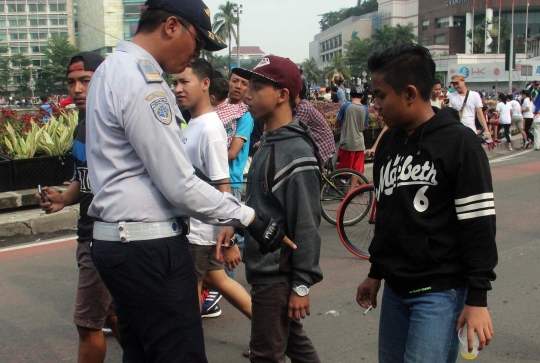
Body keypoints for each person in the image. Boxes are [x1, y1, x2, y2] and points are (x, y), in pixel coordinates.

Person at [85, 2, 293, 361]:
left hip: (116, 243)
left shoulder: (109, 70)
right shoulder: (144, 82)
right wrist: (248, 218)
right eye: (197, 42)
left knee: (141, 352)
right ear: (170, 26)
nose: (195, 54)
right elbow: (179, 184)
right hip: (149, 247)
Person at [357, 44, 497, 363]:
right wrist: (375, 273)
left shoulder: (460, 143)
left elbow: (479, 226)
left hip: (439, 295)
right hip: (395, 291)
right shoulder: (389, 144)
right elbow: (388, 218)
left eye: (380, 96)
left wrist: (477, 299)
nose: (375, 105)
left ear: (409, 93)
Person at [233, 55, 323, 363]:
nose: (247, 95)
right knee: (294, 346)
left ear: (282, 95)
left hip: (277, 275)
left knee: (265, 355)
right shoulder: (268, 143)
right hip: (265, 270)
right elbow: (258, 205)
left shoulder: (295, 152)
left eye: (256, 88)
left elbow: (307, 223)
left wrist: (301, 284)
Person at [35, 52, 121, 363]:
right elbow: (83, 180)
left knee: (87, 325)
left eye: (86, 80)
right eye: (71, 83)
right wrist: (62, 197)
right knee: (113, 317)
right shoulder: (83, 125)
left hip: (104, 238)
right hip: (91, 235)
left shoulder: (116, 124)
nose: (77, 89)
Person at [173, 58, 252, 322]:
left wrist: (228, 239)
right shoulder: (194, 123)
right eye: (175, 82)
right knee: (219, 281)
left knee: (187, 296)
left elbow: (222, 186)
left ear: (205, 84)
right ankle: (274, 334)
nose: (178, 88)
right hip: (196, 227)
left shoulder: (210, 128)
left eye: (185, 81)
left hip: (200, 231)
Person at [336, 86, 368, 192]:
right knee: (357, 169)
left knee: (345, 169)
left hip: (347, 142)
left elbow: (338, 121)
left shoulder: (346, 106)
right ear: (362, 96)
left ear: (351, 95)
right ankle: (355, 188)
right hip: (359, 143)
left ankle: (350, 191)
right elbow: (364, 127)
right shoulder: (365, 109)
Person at [294, 84, 336, 165]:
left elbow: (293, 129)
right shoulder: (301, 105)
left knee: (310, 168)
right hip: (319, 141)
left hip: (322, 143)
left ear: (297, 93)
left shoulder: (303, 108)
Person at [448, 74, 493, 144]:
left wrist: (486, 130)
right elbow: (448, 115)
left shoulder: (474, 95)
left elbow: (480, 114)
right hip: (456, 132)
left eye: (457, 83)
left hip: (471, 131)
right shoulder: (450, 96)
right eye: (454, 84)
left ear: (463, 81)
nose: (455, 86)